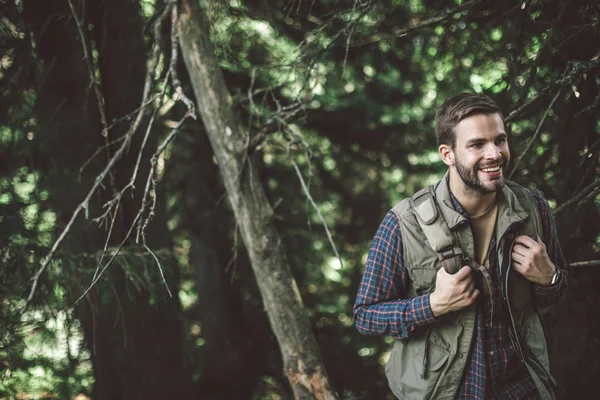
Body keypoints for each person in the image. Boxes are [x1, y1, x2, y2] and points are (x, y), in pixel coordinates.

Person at [353, 93, 567, 400]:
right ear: (447, 154)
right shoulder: (403, 223)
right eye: (477, 144)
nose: (495, 153)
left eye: (500, 140)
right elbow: (365, 315)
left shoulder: (533, 208)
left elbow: (557, 290)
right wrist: (431, 306)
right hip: (446, 392)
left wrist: (550, 277)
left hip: (522, 386)